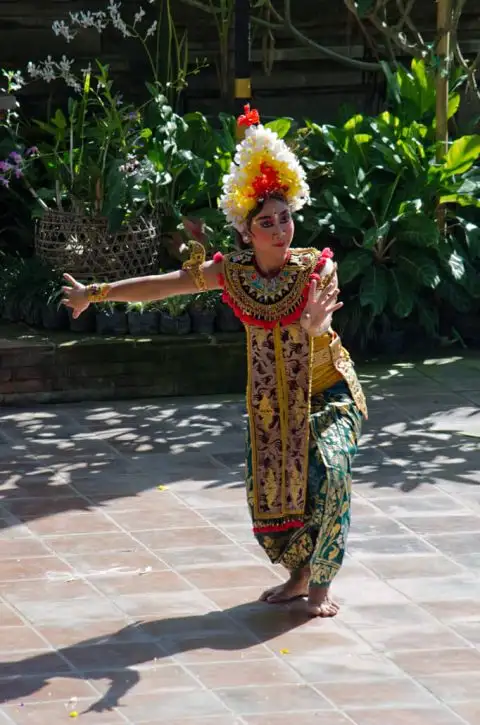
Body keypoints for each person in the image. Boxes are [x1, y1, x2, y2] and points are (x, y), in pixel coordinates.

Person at [62, 105, 367, 617]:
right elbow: (164, 287)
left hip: (329, 392)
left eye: (285, 218)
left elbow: (321, 323)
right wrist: (96, 293)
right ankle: (298, 575)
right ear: (247, 232)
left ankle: (320, 586)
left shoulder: (317, 267)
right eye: (266, 222)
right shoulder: (233, 273)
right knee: (279, 497)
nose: (279, 229)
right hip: (273, 406)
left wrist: (314, 325)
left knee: (332, 472)